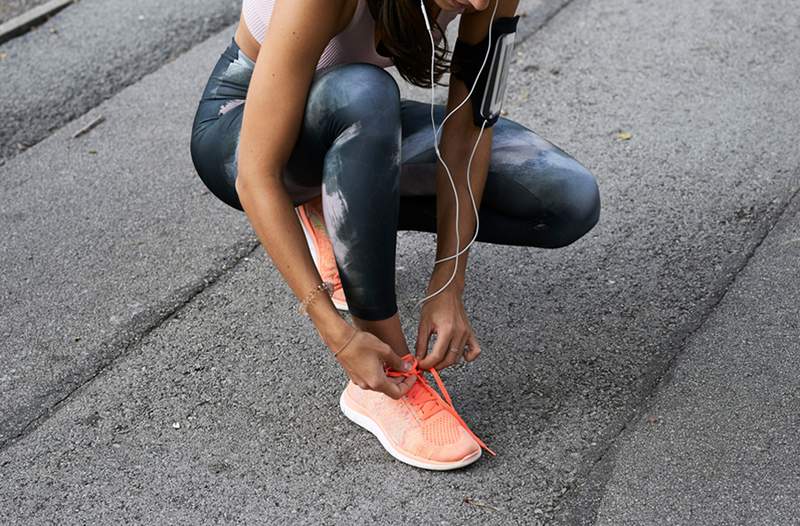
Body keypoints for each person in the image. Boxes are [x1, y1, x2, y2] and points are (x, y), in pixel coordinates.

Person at [190, 0, 600, 470]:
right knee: (365, 90)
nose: (480, 3)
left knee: (566, 198)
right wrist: (339, 336)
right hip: (241, 128)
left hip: (355, 125)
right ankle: (388, 379)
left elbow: (469, 130)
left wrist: (449, 282)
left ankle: (335, 206)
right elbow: (254, 174)